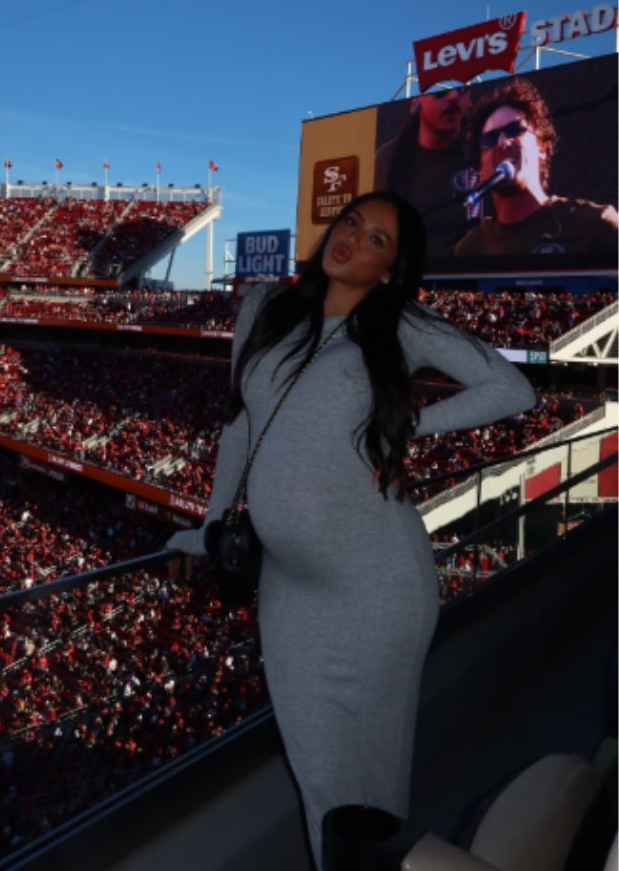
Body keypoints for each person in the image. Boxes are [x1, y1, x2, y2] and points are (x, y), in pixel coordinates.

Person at [162, 191, 534, 869]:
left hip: (380, 588)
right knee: (320, 782)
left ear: (390, 270)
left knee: (371, 790)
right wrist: (211, 525)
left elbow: (513, 389)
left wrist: (405, 427)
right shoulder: (264, 307)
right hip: (291, 592)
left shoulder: (403, 325)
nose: (354, 239)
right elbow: (239, 425)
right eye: (352, 223)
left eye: (377, 240)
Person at [452, 78, 619, 259]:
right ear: (479, 166)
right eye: (490, 139)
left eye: (514, 130)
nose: (502, 142)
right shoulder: (469, 249)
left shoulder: (595, 225)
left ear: (542, 148)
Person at [374, 82, 475, 257]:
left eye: (461, 89)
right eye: (440, 91)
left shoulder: (482, 151)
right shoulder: (389, 158)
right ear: (416, 100)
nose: (453, 97)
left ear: (469, 99)